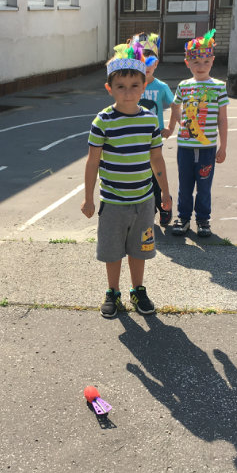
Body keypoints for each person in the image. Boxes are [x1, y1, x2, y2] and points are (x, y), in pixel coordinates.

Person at [81, 43, 172, 318]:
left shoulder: (150, 121)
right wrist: (88, 198)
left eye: (134, 85)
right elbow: (92, 162)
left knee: (139, 250)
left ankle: (138, 290)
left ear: (144, 87)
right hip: (113, 203)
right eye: (120, 86)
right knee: (112, 252)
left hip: (143, 201)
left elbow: (157, 159)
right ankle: (113, 292)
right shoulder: (103, 121)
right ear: (109, 88)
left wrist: (165, 193)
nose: (128, 92)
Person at [164, 30, 229, 237]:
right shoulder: (184, 86)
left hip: (207, 148)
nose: (201, 66)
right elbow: (175, 106)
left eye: (206, 62)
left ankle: (203, 220)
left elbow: (222, 119)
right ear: (187, 63)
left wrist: (223, 147)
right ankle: (183, 218)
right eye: (196, 62)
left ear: (212, 61)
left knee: (204, 185)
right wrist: (173, 126)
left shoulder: (218, 87)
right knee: (185, 185)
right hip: (185, 147)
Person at [132, 32, 175, 227]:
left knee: (154, 173)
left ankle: (163, 204)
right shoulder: (132, 86)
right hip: (134, 138)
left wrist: (171, 127)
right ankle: (147, 210)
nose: (146, 64)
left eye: (150, 59)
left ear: (156, 63)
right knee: (139, 175)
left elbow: (175, 105)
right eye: (141, 58)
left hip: (153, 138)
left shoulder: (161, 86)